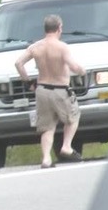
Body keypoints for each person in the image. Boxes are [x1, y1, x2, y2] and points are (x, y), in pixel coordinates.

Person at [14, 14, 86, 169]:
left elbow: (18, 63)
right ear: (59, 27)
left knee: (47, 127)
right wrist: (82, 71)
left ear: (45, 28)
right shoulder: (62, 47)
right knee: (73, 117)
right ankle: (66, 146)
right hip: (60, 89)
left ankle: (46, 159)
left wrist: (27, 82)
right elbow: (73, 67)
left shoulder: (35, 47)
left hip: (42, 90)